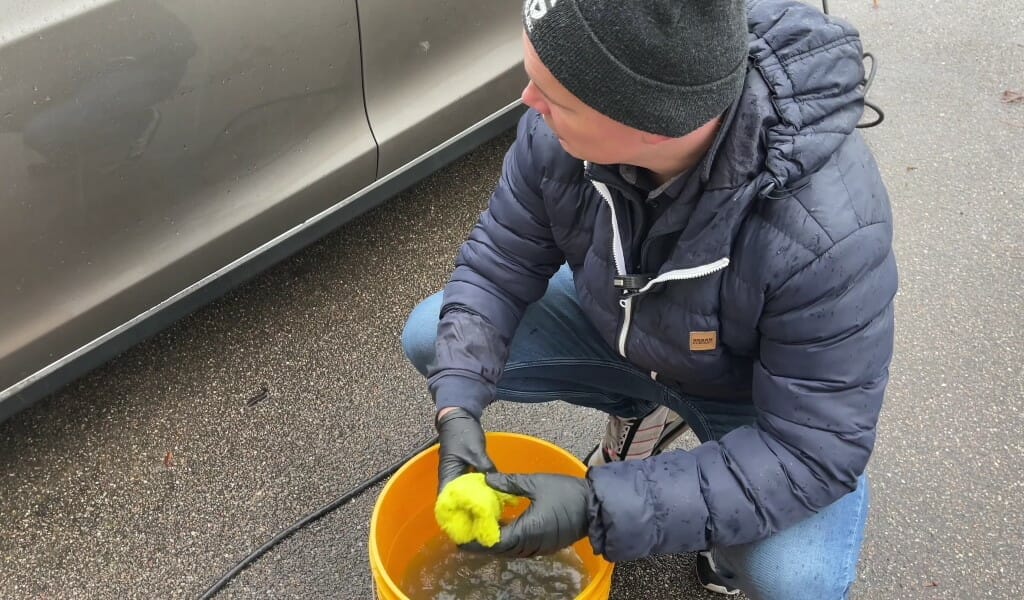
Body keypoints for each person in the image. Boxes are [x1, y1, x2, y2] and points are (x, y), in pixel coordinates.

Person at [402, 0, 897, 597]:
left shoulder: (828, 230)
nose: (528, 103)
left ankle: (719, 521)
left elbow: (810, 451)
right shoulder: (553, 135)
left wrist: (596, 507)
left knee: (794, 579)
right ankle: (645, 413)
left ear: (651, 122)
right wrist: (456, 408)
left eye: (556, 98)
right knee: (435, 337)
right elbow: (496, 267)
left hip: (757, 407)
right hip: (625, 331)